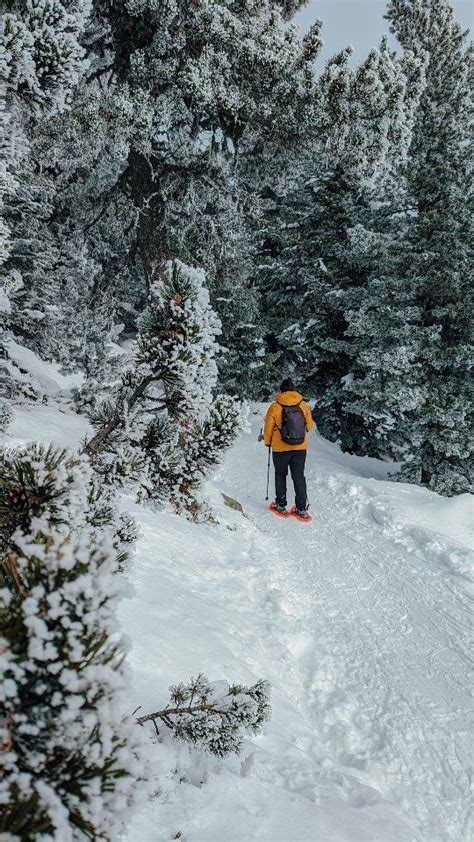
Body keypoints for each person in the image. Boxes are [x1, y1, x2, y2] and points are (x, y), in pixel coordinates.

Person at [263, 378, 313, 518]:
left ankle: (281, 505)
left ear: (281, 390)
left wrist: (268, 442)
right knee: (299, 477)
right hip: (300, 447)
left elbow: (268, 428)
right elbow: (309, 426)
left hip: (280, 448)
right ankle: (301, 509)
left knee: (280, 474)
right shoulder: (303, 405)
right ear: (294, 390)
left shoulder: (275, 407)